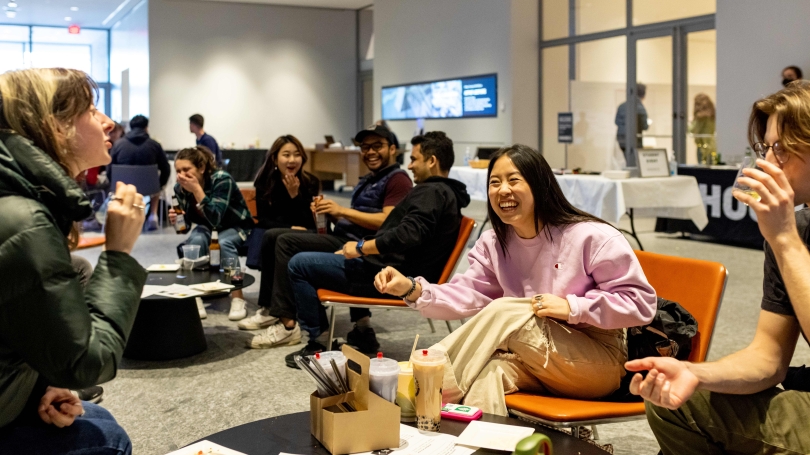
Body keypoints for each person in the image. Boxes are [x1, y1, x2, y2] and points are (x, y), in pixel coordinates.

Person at [375, 144, 657, 416]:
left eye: (513, 180)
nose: (503, 190)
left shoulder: (590, 236)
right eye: (495, 182)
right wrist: (412, 289)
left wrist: (573, 307)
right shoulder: (495, 243)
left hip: (598, 362)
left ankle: (420, 388)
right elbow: (469, 294)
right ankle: (480, 449)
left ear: (540, 185)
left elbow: (640, 303)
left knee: (507, 311)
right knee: (489, 374)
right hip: (533, 356)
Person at [627, 80, 810, 455]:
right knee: (679, 402)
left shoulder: (790, 236)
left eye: (781, 149)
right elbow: (768, 357)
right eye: (765, 148)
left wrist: (786, 241)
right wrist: (695, 373)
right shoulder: (795, 231)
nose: (768, 162)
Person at [0, 68, 147, 454]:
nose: (109, 122)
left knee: (99, 419)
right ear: (56, 126)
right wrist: (117, 256)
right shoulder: (23, 219)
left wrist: (39, 389)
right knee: (110, 441)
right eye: (92, 110)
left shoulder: (19, 201)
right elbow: (89, 363)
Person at [286, 131, 470, 363]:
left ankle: (319, 342)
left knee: (299, 264)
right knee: (330, 254)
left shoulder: (430, 192)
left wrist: (361, 247)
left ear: (432, 161)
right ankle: (362, 330)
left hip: (389, 277)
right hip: (397, 270)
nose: (410, 166)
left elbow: (407, 234)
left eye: (414, 159)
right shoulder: (448, 192)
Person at [242, 124, 412, 351]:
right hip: (348, 238)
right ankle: (278, 311)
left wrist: (339, 210)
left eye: (377, 146)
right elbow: (264, 219)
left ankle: (290, 323)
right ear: (275, 158)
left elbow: (388, 221)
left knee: (284, 241)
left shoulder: (397, 179)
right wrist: (329, 213)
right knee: (273, 236)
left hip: (363, 247)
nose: (370, 151)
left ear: (393, 149)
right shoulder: (369, 179)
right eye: (365, 147)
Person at [169, 145, 254, 320]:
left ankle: (238, 297)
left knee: (223, 243)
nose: (182, 175)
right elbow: (183, 229)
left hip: (236, 225)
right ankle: (195, 296)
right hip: (207, 227)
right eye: (178, 171)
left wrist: (197, 191)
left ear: (201, 168)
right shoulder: (180, 189)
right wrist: (177, 222)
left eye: (186, 170)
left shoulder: (222, 180)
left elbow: (216, 218)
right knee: (195, 241)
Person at [241, 135, 320, 270]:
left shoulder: (310, 182)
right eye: (286, 155)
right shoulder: (265, 182)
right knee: (268, 235)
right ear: (275, 159)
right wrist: (289, 228)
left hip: (304, 232)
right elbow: (264, 220)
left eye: (297, 155)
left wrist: (295, 195)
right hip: (277, 230)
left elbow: (311, 222)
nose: (292, 160)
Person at [110, 114, 171, 230]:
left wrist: (113, 185)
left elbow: (110, 169)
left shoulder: (118, 145)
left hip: (123, 188)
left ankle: (125, 215)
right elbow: (166, 168)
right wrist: (161, 185)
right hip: (150, 188)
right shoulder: (154, 145)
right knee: (156, 184)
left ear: (130, 128)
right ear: (146, 128)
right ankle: (153, 215)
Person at [615, 83, 649, 167]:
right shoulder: (640, 107)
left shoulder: (622, 106)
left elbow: (616, 122)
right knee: (636, 163)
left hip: (621, 138)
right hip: (635, 140)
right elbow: (645, 126)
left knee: (630, 161)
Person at [690, 93, 716, 165]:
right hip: (701, 147)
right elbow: (692, 130)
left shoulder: (712, 117)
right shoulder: (699, 119)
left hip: (711, 147)